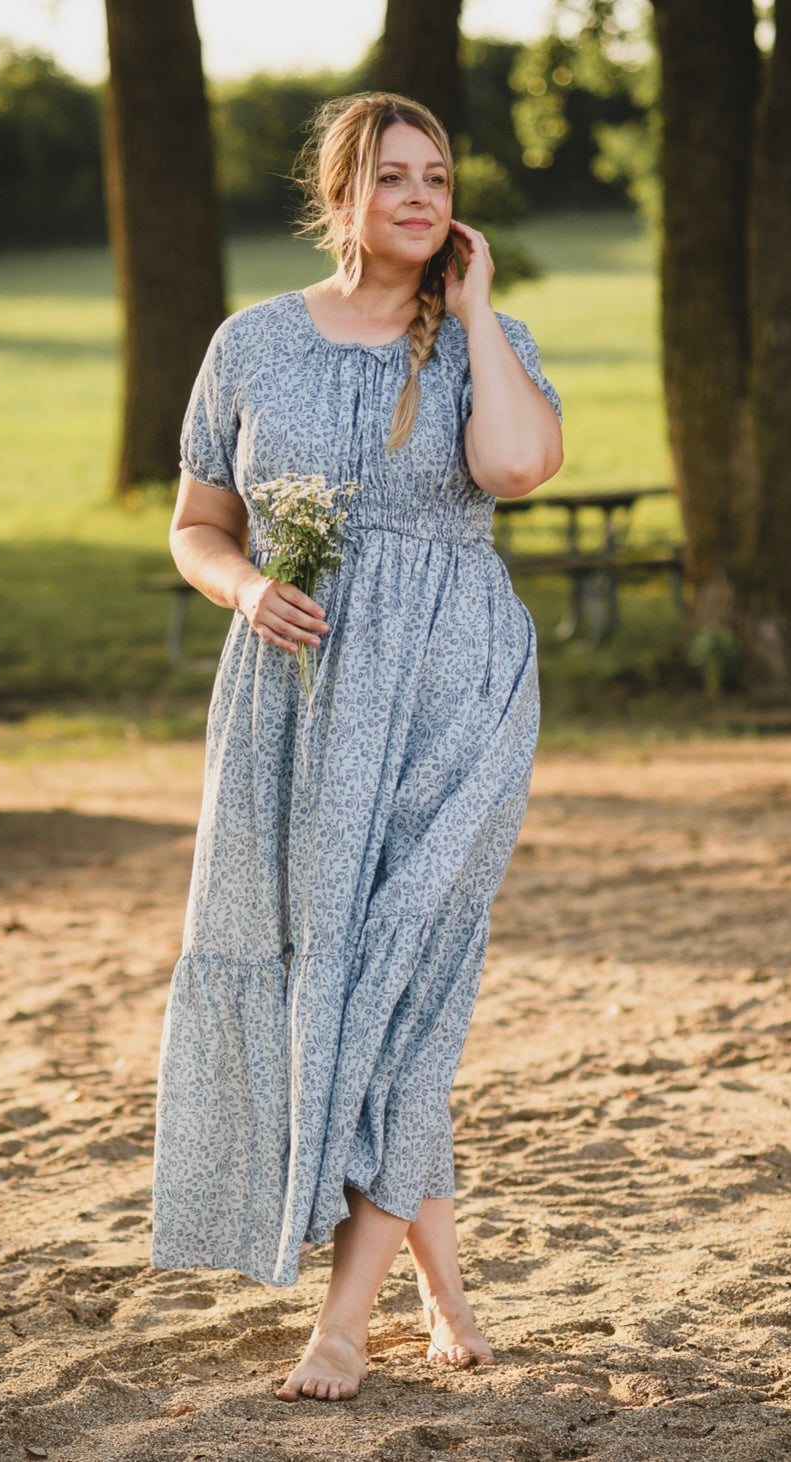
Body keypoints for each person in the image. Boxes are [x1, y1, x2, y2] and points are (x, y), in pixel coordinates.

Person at [151, 92, 563, 1404]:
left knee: (405, 984)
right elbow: (197, 521)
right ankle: (446, 1296)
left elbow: (513, 471)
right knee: (333, 984)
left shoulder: (485, 342)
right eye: (390, 177)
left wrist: (479, 307)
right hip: (301, 702)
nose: (419, 196)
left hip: (459, 691)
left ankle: (342, 1323)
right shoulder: (252, 345)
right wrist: (240, 588)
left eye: (436, 177)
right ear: (337, 199)